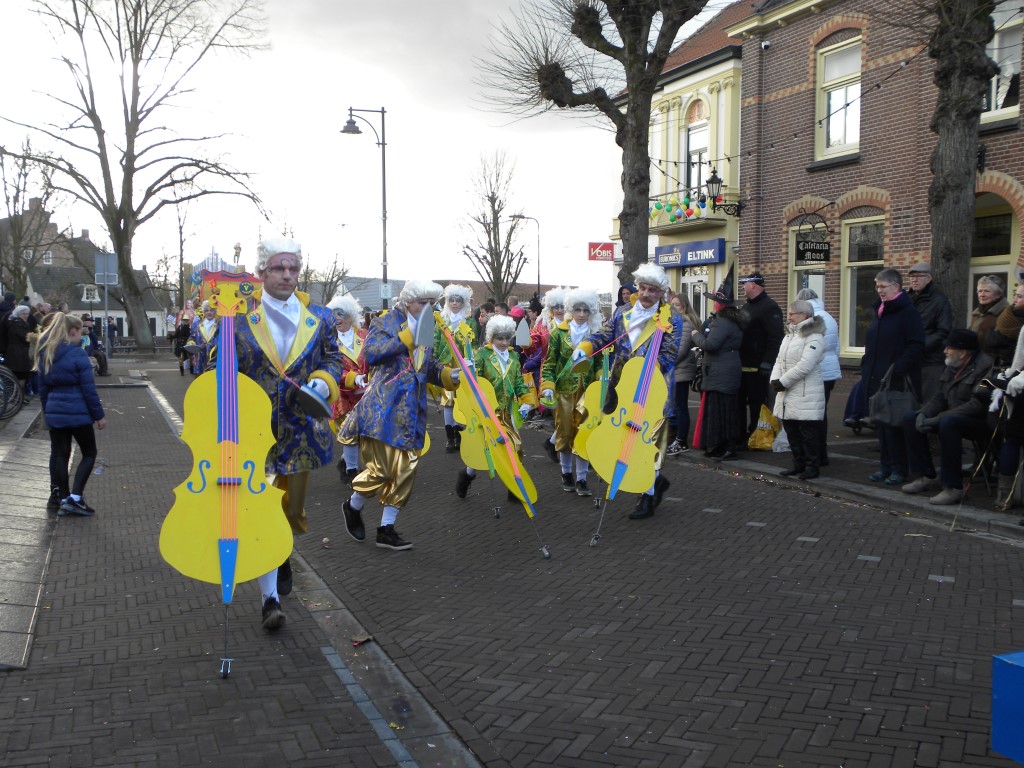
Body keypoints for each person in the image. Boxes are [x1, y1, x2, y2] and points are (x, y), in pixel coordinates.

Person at [224, 237, 343, 632]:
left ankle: (282, 550)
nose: (288, 275)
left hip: (301, 432)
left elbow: (333, 358)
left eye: (293, 268)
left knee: (291, 513)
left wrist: (324, 382)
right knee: (263, 513)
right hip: (254, 434)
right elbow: (216, 367)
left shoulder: (320, 317)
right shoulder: (238, 318)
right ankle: (269, 599)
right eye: (279, 268)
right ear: (262, 272)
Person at [339, 280, 459, 551]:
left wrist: (447, 375)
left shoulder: (428, 326)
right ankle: (353, 506)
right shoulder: (385, 322)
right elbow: (372, 354)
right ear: (408, 301)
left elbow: (426, 366)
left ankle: (386, 528)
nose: (427, 308)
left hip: (412, 412)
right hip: (383, 409)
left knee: (406, 471)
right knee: (381, 470)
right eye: (422, 303)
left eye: (432, 304)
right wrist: (407, 337)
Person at [575, 264, 681, 520]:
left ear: (661, 293)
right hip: (620, 389)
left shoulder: (670, 318)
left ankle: (648, 494)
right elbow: (604, 335)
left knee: (647, 442)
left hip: (652, 390)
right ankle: (654, 482)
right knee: (621, 437)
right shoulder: (623, 312)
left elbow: (669, 355)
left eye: (652, 290)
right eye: (643, 288)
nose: (646, 294)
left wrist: (645, 372)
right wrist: (585, 348)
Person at [899, 329, 993, 505]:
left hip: (980, 421)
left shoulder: (985, 367)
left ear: (962, 352)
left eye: (949, 348)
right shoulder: (952, 365)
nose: (945, 351)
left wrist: (940, 417)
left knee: (948, 423)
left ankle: (953, 487)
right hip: (952, 417)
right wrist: (923, 414)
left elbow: (977, 405)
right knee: (910, 418)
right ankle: (925, 476)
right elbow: (939, 397)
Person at [455, 314, 536, 498]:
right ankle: (467, 475)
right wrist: (468, 370)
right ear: (491, 338)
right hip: (487, 413)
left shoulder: (514, 356)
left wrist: (526, 401)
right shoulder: (482, 355)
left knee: (516, 447)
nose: (504, 342)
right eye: (500, 338)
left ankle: (515, 489)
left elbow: (519, 382)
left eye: (507, 338)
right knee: (485, 453)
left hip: (506, 413)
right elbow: (474, 383)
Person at [35, 312, 107, 515]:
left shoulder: (46, 354)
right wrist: (99, 415)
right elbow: (88, 390)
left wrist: (48, 411)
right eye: (80, 333)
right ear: (73, 331)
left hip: (55, 412)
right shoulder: (78, 355)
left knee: (61, 454)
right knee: (89, 453)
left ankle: (63, 497)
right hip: (78, 412)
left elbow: (43, 389)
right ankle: (76, 497)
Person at [860, 268, 926, 485]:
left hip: (896, 378)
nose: (879, 290)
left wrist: (899, 368)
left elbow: (916, 344)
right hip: (876, 377)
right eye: (877, 286)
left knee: (895, 425)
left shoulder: (908, 313)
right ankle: (885, 465)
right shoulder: (880, 311)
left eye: (883, 286)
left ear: (896, 287)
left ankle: (899, 468)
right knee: (881, 424)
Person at [537, 287, 603, 496]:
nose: (582, 314)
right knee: (565, 433)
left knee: (584, 433)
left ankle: (582, 478)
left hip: (587, 392)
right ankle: (566, 473)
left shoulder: (595, 335)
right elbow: (549, 364)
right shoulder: (558, 333)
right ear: (571, 310)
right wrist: (548, 387)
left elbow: (600, 362)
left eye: (585, 310)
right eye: (578, 309)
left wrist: (602, 376)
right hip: (564, 391)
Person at [770, 301, 826, 480]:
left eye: (792, 314)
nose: (789, 317)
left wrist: (783, 381)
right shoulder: (789, 336)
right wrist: (774, 380)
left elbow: (805, 365)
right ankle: (798, 464)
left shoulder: (814, 336)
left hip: (805, 392)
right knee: (792, 432)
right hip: (788, 392)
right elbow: (779, 360)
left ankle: (812, 467)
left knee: (808, 434)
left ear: (804, 315)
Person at [691, 290, 743, 462]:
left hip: (720, 372)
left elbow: (710, 345)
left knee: (720, 411)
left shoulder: (721, 323)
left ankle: (726, 447)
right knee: (725, 410)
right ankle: (722, 446)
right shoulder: (733, 321)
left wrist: (695, 335)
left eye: (715, 302)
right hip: (727, 370)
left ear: (719, 305)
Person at [736, 271, 785, 442]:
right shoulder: (746, 306)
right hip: (742, 364)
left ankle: (755, 435)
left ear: (753, 285)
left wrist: (767, 361)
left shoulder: (770, 307)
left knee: (757, 403)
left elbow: (775, 337)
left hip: (757, 367)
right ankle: (740, 436)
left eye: (744, 284)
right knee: (739, 403)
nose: (742, 287)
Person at [795, 288, 841, 466]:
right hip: (830, 370)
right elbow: (836, 346)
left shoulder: (809, 319)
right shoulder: (830, 317)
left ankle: (814, 454)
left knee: (811, 415)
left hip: (815, 371)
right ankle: (822, 452)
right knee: (822, 412)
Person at [327, 294, 368, 484]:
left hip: (366, 394)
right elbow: (331, 367)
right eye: (334, 314)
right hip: (342, 396)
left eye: (341, 314)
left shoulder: (365, 336)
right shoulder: (328, 341)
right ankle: (352, 471)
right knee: (349, 432)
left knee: (364, 434)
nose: (337, 318)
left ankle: (345, 461)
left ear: (350, 315)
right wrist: (353, 378)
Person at [433, 284, 475, 452]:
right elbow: (436, 342)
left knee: (462, 401)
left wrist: (471, 361)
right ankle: (450, 438)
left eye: (458, 300)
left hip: (463, 367)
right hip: (446, 368)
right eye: (451, 300)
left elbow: (473, 345)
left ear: (463, 302)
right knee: (448, 402)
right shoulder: (441, 321)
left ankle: (460, 435)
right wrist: (435, 363)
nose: (455, 303)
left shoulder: (469, 322)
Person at [906, 262, 953, 402]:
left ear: (929, 278)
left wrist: (920, 346)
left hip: (930, 362)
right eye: (912, 277)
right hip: (908, 359)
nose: (914, 280)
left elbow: (943, 331)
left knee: (927, 401)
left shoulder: (939, 301)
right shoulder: (906, 299)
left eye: (919, 276)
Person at [667, 292, 701, 455]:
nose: (674, 307)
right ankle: (674, 438)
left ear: (684, 306)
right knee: (674, 406)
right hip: (675, 370)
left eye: (677, 305)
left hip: (680, 370)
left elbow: (680, 350)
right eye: (672, 304)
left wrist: (664, 362)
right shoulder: (673, 323)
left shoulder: (685, 323)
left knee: (680, 406)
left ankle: (681, 440)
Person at [536, 287, 568, 462]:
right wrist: (527, 344)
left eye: (563, 306)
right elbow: (533, 344)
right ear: (551, 308)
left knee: (569, 414)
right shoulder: (543, 325)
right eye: (557, 307)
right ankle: (556, 445)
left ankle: (553, 443)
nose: (560, 310)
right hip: (550, 374)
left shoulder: (572, 323)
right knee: (560, 414)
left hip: (569, 374)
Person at [971, 275, 1010, 364]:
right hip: (976, 362)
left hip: (994, 364)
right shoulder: (977, 313)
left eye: (987, 291)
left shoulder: (1006, 314)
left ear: (998, 294)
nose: (982, 295)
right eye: (980, 291)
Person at [987, 281, 1024, 371]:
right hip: (999, 367)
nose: (1015, 299)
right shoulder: (1008, 313)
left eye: (1019, 296)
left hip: (1015, 371)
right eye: (1015, 295)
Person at [4, 304, 34, 395]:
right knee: (20, 374)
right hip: (18, 353)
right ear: (18, 314)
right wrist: (34, 337)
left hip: (17, 352)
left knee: (20, 375)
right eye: (24, 314)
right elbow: (25, 337)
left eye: (27, 314)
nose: (26, 316)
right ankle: (18, 395)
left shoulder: (15, 322)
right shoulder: (17, 324)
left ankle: (17, 395)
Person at [187, 301, 218, 375]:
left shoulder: (219, 324)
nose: (209, 312)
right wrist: (192, 344)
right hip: (200, 358)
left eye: (211, 310)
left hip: (214, 357)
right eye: (207, 310)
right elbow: (192, 337)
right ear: (204, 312)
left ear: (215, 312)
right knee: (200, 379)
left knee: (214, 378)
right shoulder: (197, 324)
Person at [174, 300, 197, 375]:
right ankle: (182, 372)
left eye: (189, 303)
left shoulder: (194, 314)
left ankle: (191, 371)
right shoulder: (180, 327)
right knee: (180, 359)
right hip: (181, 343)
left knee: (191, 357)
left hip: (188, 342)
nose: (188, 304)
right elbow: (176, 334)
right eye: (184, 320)